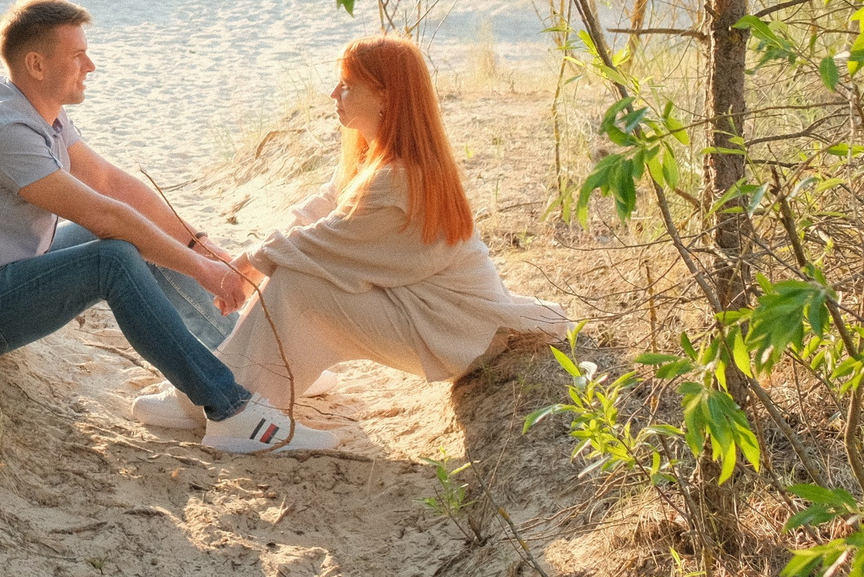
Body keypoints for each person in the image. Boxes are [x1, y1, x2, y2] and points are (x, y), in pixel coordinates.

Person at [0, 0, 339, 456]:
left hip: (2, 276)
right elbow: (104, 215)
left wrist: (204, 247)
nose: (90, 65)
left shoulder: (35, 109)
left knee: (119, 239)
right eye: (77, 55)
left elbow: (111, 184)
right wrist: (202, 270)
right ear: (36, 63)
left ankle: (251, 366)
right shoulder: (5, 129)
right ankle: (230, 409)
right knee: (112, 258)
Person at [133, 35, 569, 434]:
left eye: (345, 84)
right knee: (292, 271)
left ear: (385, 96)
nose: (332, 93)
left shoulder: (399, 179)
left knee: (298, 280)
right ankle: (244, 388)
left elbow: (319, 242)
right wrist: (244, 263)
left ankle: (216, 403)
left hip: (454, 333)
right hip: (432, 318)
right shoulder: (374, 160)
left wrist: (242, 266)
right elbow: (311, 214)